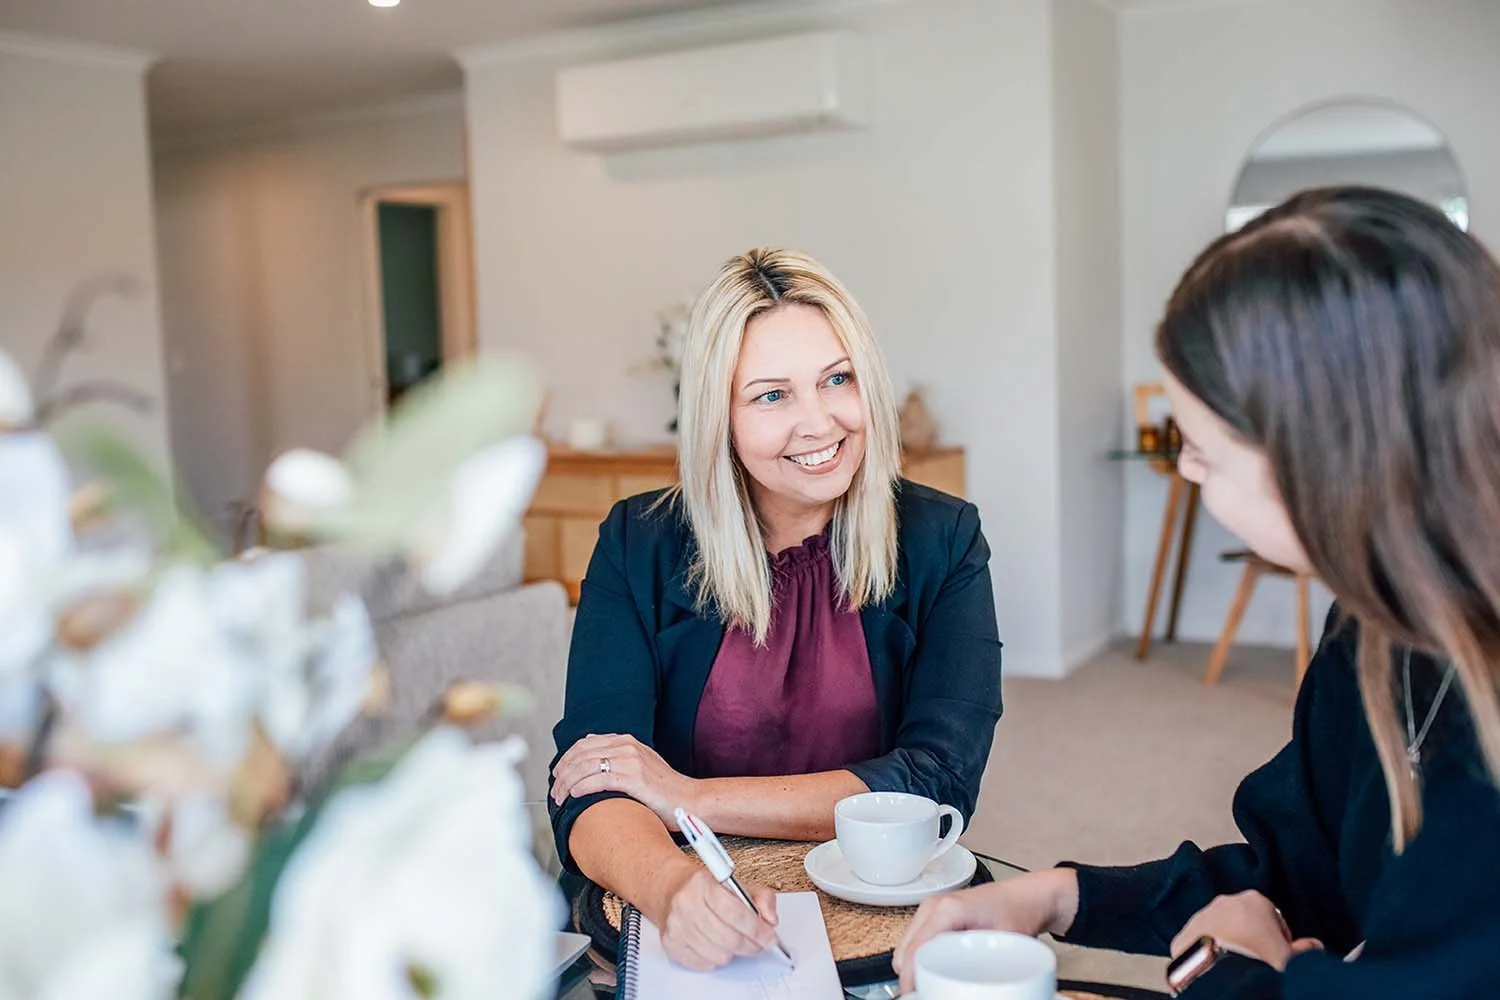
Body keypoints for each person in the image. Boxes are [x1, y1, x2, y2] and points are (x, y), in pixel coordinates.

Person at [894, 186, 1500, 998]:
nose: (1183, 469)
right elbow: (1289, 871)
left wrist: (1222, 969)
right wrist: (1058, 896)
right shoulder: (1375, 628)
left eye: (1204, 452)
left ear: (1324, 457)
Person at [548, 248, 1003, 971]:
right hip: (680, 878)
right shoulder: (640, 541)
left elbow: (938, 779)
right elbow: (590, 779)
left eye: (837, 379)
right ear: (717, 416)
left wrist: (686, 796)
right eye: (771, 396)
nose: (820, 423)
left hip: (873, 897)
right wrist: (671, 888)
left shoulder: (943, 538)